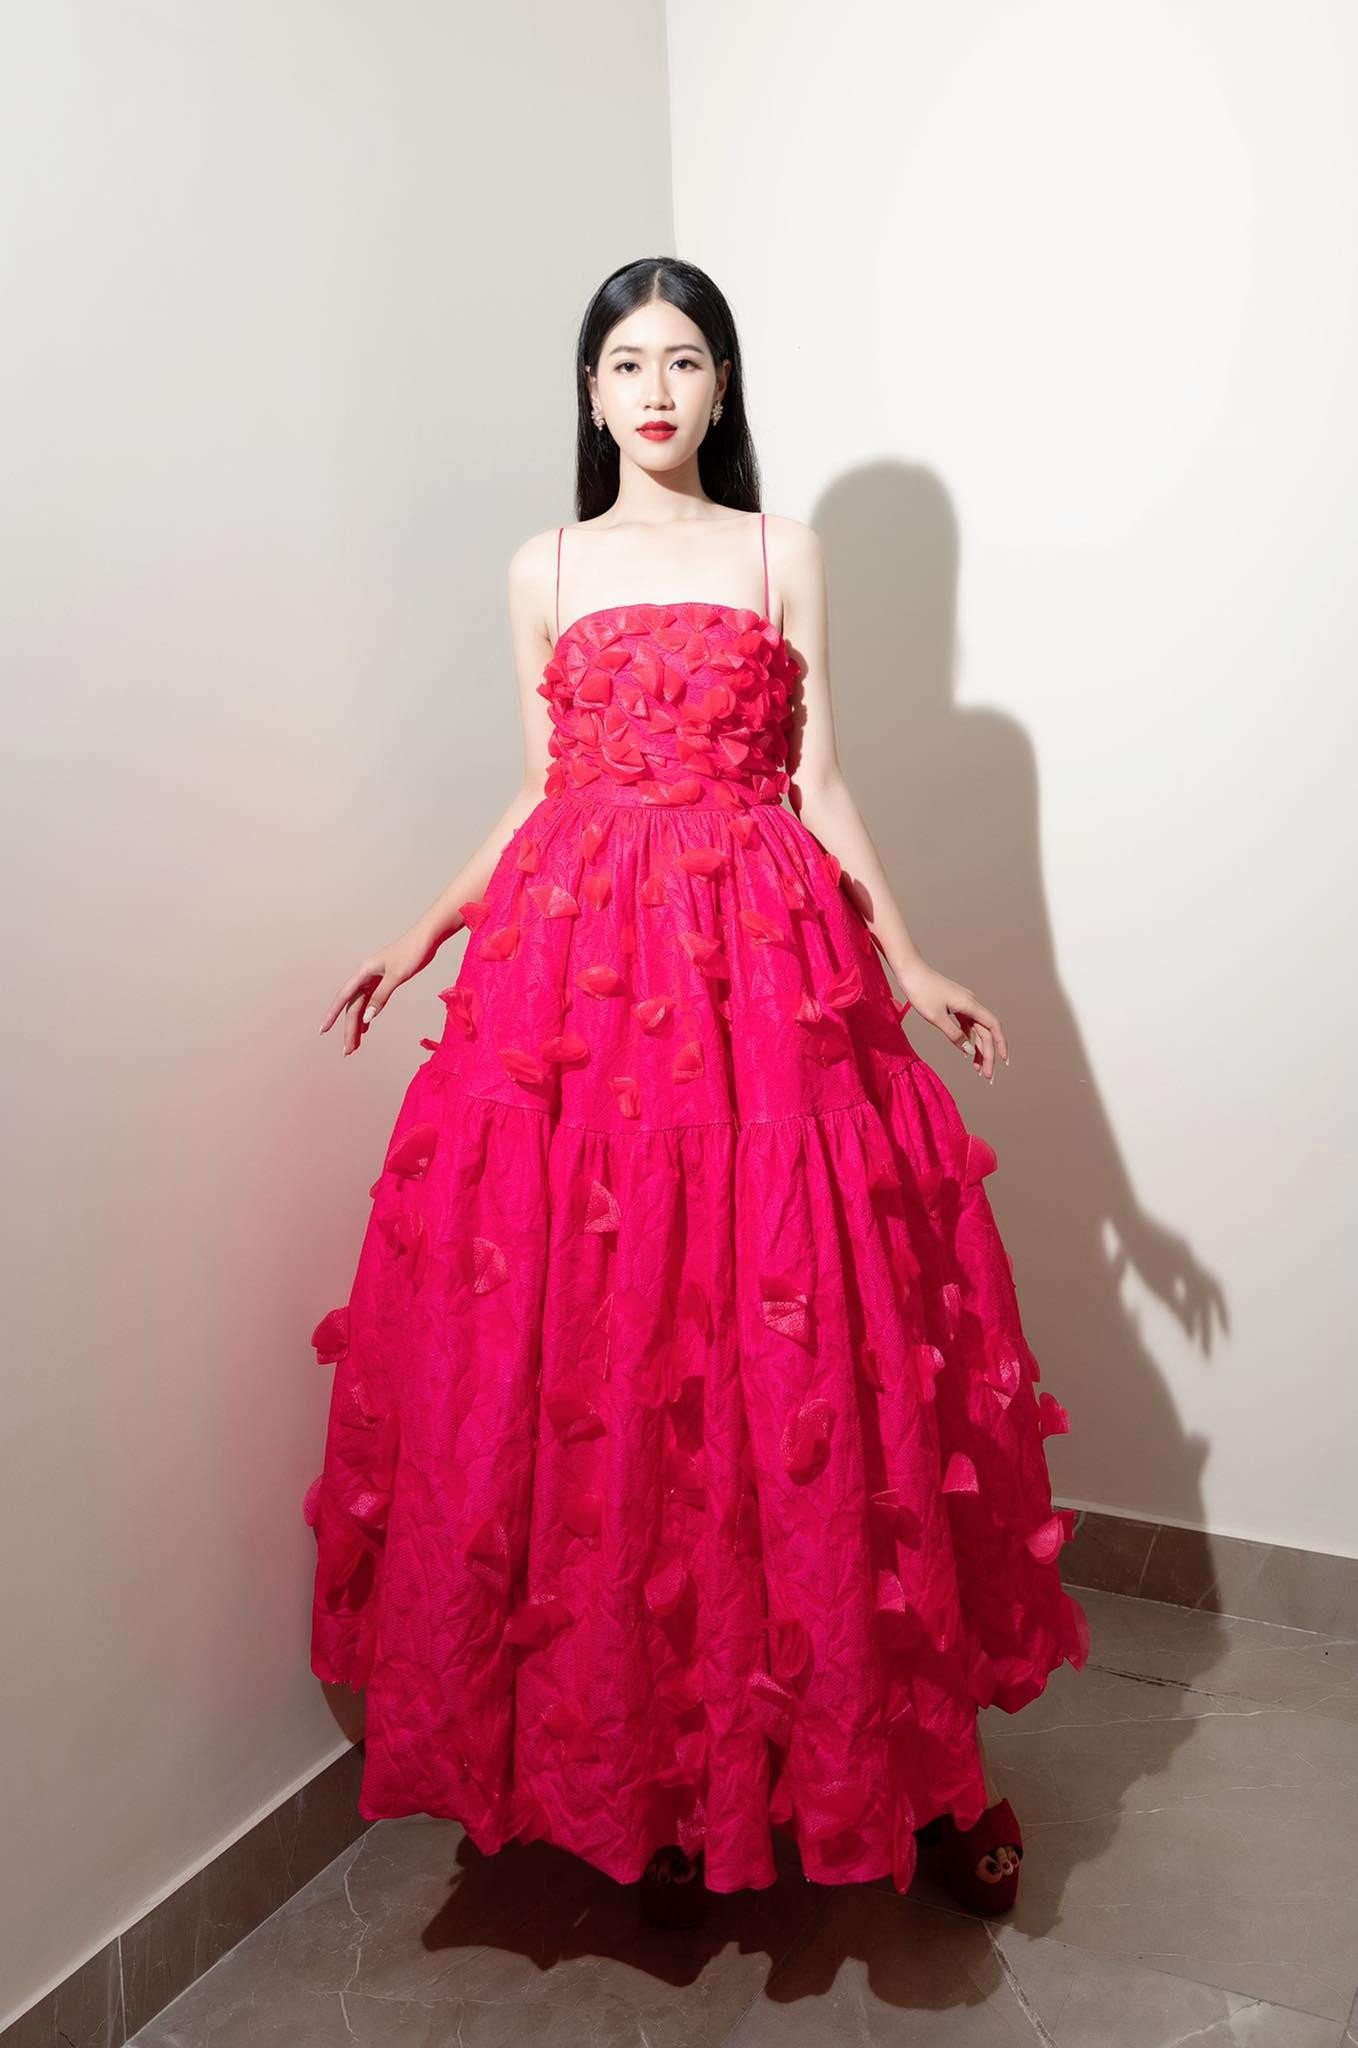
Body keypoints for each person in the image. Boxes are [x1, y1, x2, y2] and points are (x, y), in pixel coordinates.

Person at [305, 256, 1089, 1928]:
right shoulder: (543, 566)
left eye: (681, 361)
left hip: (759, 967)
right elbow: (541, 787)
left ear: (722, 386)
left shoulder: (776, 552)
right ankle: (651, 1769)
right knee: (609, 1345)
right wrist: (420, 929)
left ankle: (906, 1773)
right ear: (589, 395)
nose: (652, 390)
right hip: (576, 983)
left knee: (796, 1336)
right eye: (623, 364)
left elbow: (818, 778)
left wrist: (910, 962)